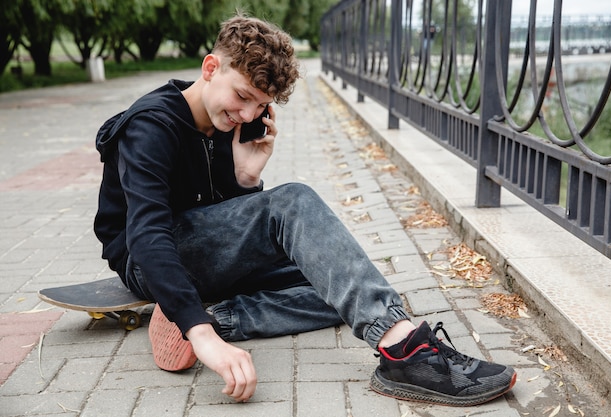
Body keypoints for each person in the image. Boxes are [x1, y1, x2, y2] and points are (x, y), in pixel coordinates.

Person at [93, 14, 516, 406]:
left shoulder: (229, 124)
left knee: (341, 282)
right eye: (242, 97)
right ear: (210, 68)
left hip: (200, 257)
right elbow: (148, 233)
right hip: (147, 259)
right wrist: (201, 338)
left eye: (260, 105)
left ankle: (220, 316)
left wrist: (245, 180)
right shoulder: (150, 126)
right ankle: (405, 353)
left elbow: (224, 222)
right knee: (293, 202)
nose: (247, 114)